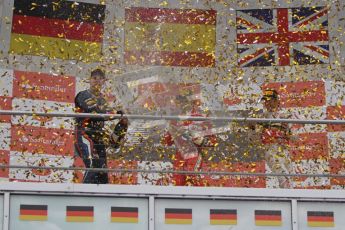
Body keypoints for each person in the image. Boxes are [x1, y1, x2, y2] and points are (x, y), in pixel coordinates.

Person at [75, 69, 127, 184]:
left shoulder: (103, 100)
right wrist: (117, 113)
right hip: (85, 135)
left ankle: (101, 199)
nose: (97, 81)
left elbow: (104, 114)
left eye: (100, 78)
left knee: (102, 171)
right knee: (93, 166)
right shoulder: (83, 95)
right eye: (94, 78)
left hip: (98, 138)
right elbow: (95, 112)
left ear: (104, 81)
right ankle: (80, 199)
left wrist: (122, 119)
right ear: (89, 80)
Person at [163, 94, 217, 186]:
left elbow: (213, 141)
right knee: (178, 183)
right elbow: (167, 141)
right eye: (179, 102)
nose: (181, 105)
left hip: (194, 155)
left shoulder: (201, 118)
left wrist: (201, 141)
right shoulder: (175, 119)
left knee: (192, 180)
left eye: (184, 101)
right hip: (179, 157)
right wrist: (174, 132)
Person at [259, 89, 293, 188]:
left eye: (270, 100)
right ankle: (287, 200)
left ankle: (290, 201)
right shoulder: (261, 118)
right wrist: (252, 128)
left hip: (285, 151)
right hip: (270, 151)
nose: (267, 103)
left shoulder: (286, 115)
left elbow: (295, 138)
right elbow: (253, 139)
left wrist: (287, 130)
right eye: (265, 100)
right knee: (284, 177)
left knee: (290, 178)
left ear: (277, 101)